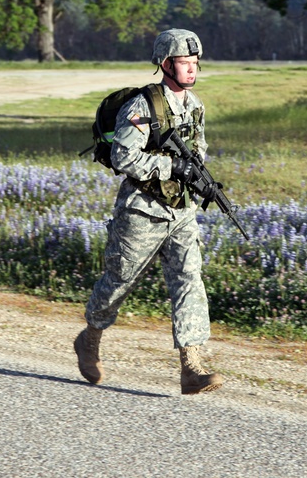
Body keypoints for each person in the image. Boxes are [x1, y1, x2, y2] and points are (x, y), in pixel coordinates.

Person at [74, 28, 223, 395]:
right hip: (142, 210)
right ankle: (90, 336)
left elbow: (198, 147)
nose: (192, 69)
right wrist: (172, 168)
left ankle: (192, 366)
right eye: (185, 62)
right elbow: (125, 156)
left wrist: (197, 174)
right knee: (120, 281)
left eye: (195, 62)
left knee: (190, 279)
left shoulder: (194, 105)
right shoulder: (142, 106)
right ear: (165, 64)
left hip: (181, 211)